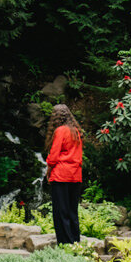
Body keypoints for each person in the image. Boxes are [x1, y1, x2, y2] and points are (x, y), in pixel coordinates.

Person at [44, 103, 84, 245]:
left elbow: (53, 157)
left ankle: (65, 243)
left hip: (61, 175)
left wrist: (48, 172)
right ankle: (75, 241)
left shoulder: (60, 131)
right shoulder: (76, 131)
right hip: (76, 175)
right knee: (72, 211)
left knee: (61, 211)